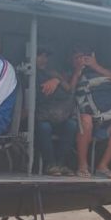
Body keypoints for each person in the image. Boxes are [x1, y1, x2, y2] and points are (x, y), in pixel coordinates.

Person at [69, 44, 111, 179]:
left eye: (84, 56)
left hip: (106, 121)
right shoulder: (69, 74)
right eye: (77, 58)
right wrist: (77, 71)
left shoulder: (102, 70)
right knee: (86, 119)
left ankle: (103, 166)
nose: (81, 60)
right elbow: (69, 91)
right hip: (81, 122)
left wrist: (95, 65)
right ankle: (82, 166)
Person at [34, 47, 78, 176]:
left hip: (59, 115)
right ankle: (50, 164)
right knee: (44, 127)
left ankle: (61, 164)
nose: (43, 59)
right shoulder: (29, 74)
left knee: (72, 125)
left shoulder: (51, 72)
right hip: (41, 117)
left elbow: (69, 89)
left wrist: (57, 79)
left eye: (46, 55)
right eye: (39, 55)